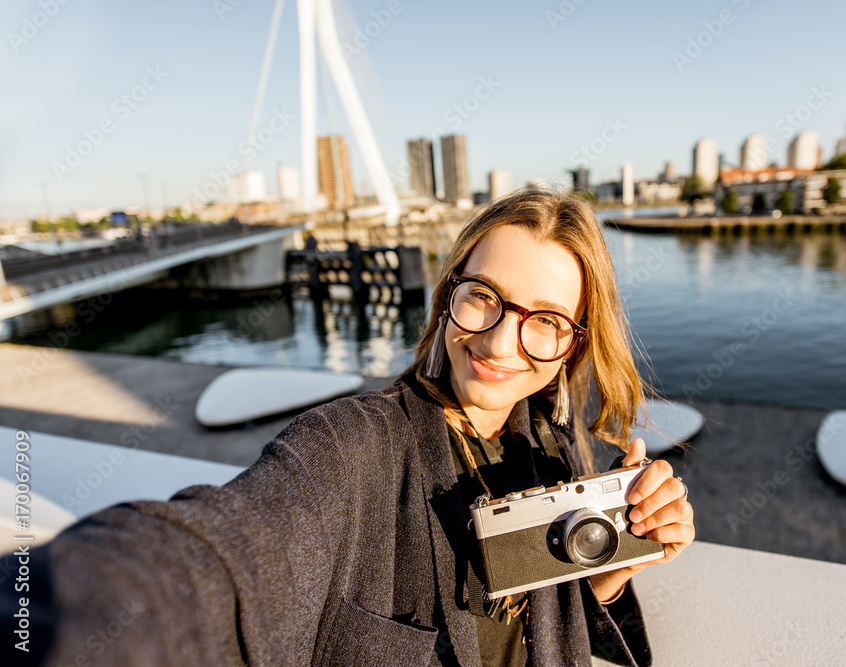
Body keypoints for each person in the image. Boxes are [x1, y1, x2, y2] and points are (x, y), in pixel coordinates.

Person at [2, 190, 694, 666]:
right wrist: (51, 613)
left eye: (544, 319)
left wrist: (608, 571)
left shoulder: (556, 445)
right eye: (484, 296)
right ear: (450, 292)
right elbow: (223, 556)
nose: (503, 342)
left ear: (573, 343)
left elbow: (557, 629)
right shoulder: (351, 447)